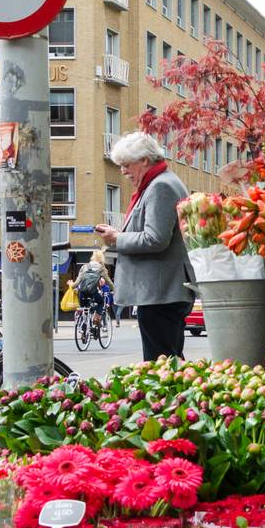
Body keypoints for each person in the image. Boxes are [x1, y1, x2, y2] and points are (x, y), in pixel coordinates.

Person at [95, 132, 194, 361]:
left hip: (160, 293)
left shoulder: (161, 187)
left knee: (160, 364)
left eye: (126, 164)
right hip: (162, 291)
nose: (122, 170)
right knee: (169, 361)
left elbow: (155, 239)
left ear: (144, 160)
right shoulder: (162, 182)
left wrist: (117, 239)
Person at [73, 249, 112, 332]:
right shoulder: (101, 268)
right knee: (101, 302)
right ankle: (96, 318)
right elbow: (109, 282)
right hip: (93, 292)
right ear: (102, 258)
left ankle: (83, 332)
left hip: (82, 292)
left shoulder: (84, 266)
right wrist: (115, 289)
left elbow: (76, 283)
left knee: (85, 310)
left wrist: (71, 285)